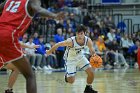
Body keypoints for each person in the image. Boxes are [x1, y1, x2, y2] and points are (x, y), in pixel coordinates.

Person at [0, 0, 65, 93]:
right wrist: (54, 15)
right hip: (8, 36)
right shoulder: (31, 1)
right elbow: (38, 9)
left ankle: (8, 89)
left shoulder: (9, 1)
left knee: (16, 68)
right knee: (30, 75)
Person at [46, 25, 98, 93]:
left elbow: (92, 50)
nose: (79, 36)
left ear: (84, 33)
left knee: (91, 72)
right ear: (76, 34)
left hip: (80, 57)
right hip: (70, 59)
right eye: (78, 34)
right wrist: (49, 51)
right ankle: (66, 77)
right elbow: (58, 44)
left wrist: (95, 57)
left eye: (81, 34)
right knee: (71, 81)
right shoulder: (70, 41)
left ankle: (88, 88)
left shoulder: (88, 40)